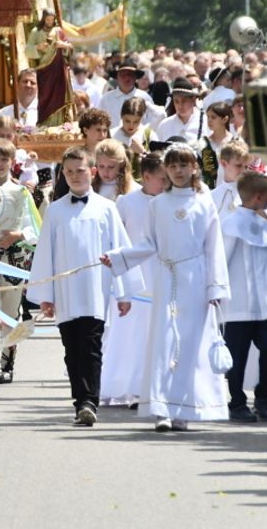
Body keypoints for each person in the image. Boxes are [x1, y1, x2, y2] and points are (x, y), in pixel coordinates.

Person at [102, 144, 229, 432]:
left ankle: (184, 408)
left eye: (183, 165)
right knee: (164, 342)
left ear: (194, 167)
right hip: (166, 276)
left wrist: (215, 287)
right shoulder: (157, 205)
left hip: (195, 279)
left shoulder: (203, 202)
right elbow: (148, 244)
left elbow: (213, 247)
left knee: (190, 343)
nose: (178, 171)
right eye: (172, 166)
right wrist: (119, 257)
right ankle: (161, 408)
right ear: (166, 171)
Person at [29, 145, 134, 425]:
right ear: (64, 174)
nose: (76, 176)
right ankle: (80, 400)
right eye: (70, 172)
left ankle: (89, 402)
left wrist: (124, 292)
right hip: (65, 292)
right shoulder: (55, 211)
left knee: (91, 345)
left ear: (93, 172)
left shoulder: (107, 209)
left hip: (95, 291)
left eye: (81, 170)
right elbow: (45, 254)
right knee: (71, 349)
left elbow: (120, 250)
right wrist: (45, 295)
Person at [101, 152, 164, 407]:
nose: (166, 184)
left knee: (154, 334)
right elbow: (115, 240)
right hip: (133, 277)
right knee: (129, 335)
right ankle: (122, 384)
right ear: (147, 176)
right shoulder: (127, 203)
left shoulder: (168, 202)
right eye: (162, 179)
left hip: (160, 275)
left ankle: (148, 387)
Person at [221, 171, 267, 424]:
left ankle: (263, 395)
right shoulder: (230, 223)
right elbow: (221, 258)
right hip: (239, 303)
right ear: (259, 197)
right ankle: (237, 402)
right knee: (237, 356)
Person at [0, 138, 39, 385]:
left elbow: (35, 227)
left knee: (11, 312)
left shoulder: (22, 192)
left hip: (14, 259)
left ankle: (8, 361)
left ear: (13, 162)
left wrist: (19, 235)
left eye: (4, 159)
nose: (0, 164)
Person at [100, 60, 154, 130]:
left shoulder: (145, 97)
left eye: (130, 75)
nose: (127, 78)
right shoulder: (106, 98)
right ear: (117, 77)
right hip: (113, 139)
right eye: (123, 75)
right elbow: (100, 121)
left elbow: (151, 121)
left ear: (135, 78)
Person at [211, 140, 251, 224]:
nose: (243, 170)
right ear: (224, 164)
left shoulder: (252, 194)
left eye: (246, 166)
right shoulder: (212, 196)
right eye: (239, 165)